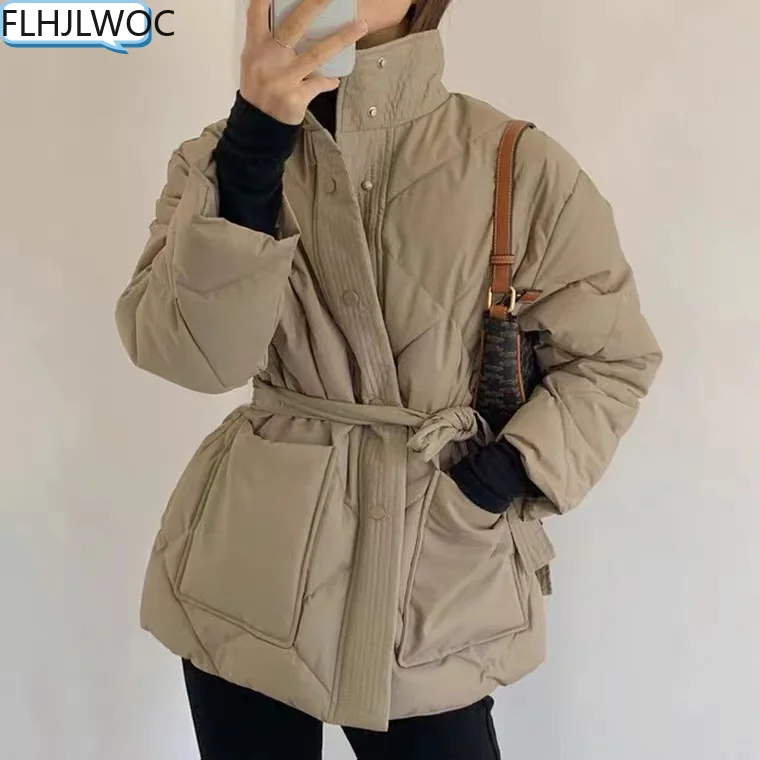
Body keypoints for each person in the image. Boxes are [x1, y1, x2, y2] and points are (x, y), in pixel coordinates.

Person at [115, 0, 662, 757]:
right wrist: (253, 151)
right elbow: (189, 356)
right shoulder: (217, 157)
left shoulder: (520, 164)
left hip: (435, 578)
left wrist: (503, 475)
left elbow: (610, 358)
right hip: (249, 574)